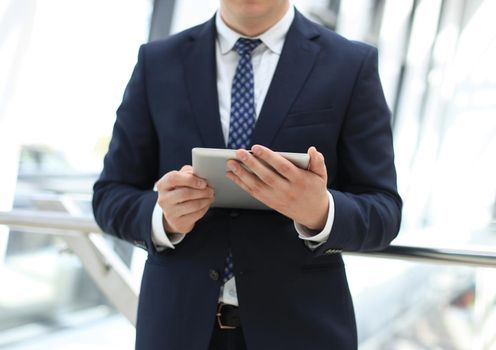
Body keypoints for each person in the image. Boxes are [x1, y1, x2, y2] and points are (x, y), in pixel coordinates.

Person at [92, 0, 402, 349]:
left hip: (301, 331)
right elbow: (109, 196)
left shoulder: (349, 64)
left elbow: (384, 212)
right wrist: (162, 218)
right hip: (175, 330)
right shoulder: (158, 62)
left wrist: (320, 211)